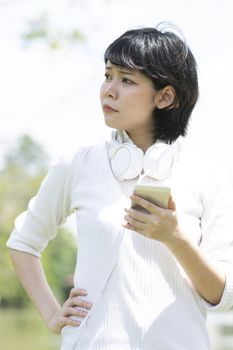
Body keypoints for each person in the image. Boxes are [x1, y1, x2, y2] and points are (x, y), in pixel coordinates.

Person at [6, 24, 233, 350]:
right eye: (107, 75)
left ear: (165, 96)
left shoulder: (209, 176)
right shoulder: (79, 163)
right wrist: (52, 314)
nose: (108, 90)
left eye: (126, 80)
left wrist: (175, 237)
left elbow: (222, 295)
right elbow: (23, 243)